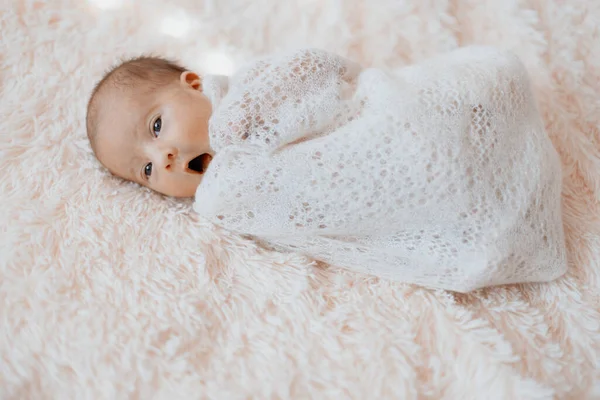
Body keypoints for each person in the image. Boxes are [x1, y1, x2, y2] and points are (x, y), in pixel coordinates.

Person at [86, 46, 567, 292]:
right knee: (447, 200)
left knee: (427, 130)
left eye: (156, 126)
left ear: (194, 84)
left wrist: (239, 128)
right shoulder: (221, 200)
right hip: (394, 192)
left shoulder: (253, 87)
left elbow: (321, 71)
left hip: (394, 121)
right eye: (146, 171)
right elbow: (303, 216)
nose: (163, 157)